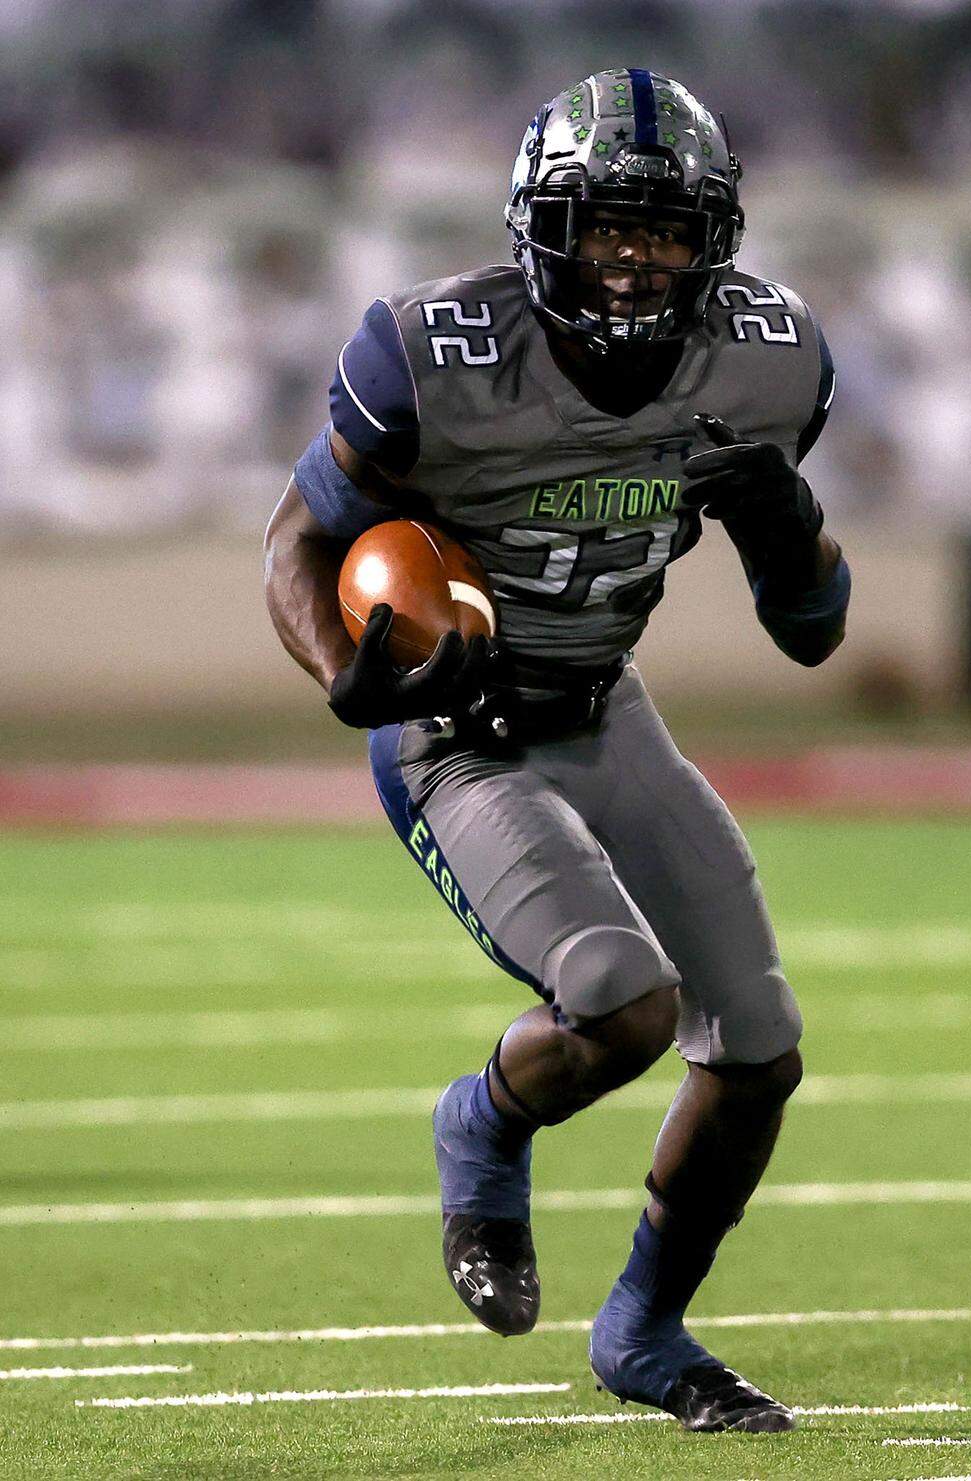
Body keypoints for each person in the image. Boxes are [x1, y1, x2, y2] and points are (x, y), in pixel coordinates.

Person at [265, 68, 850, 1435]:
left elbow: (814, 633)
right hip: (459, 732)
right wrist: (344, 668)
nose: (635, 261)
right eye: (607, 227)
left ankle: (644, 1331)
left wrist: (787, 525)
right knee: (619, 999)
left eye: (664, 231)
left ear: (715, 241)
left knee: (759, 1042)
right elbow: (297, 537)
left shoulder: (769, 362)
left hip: (604, 703)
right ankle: (482, 1122)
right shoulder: (432, 353)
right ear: (544, 229)